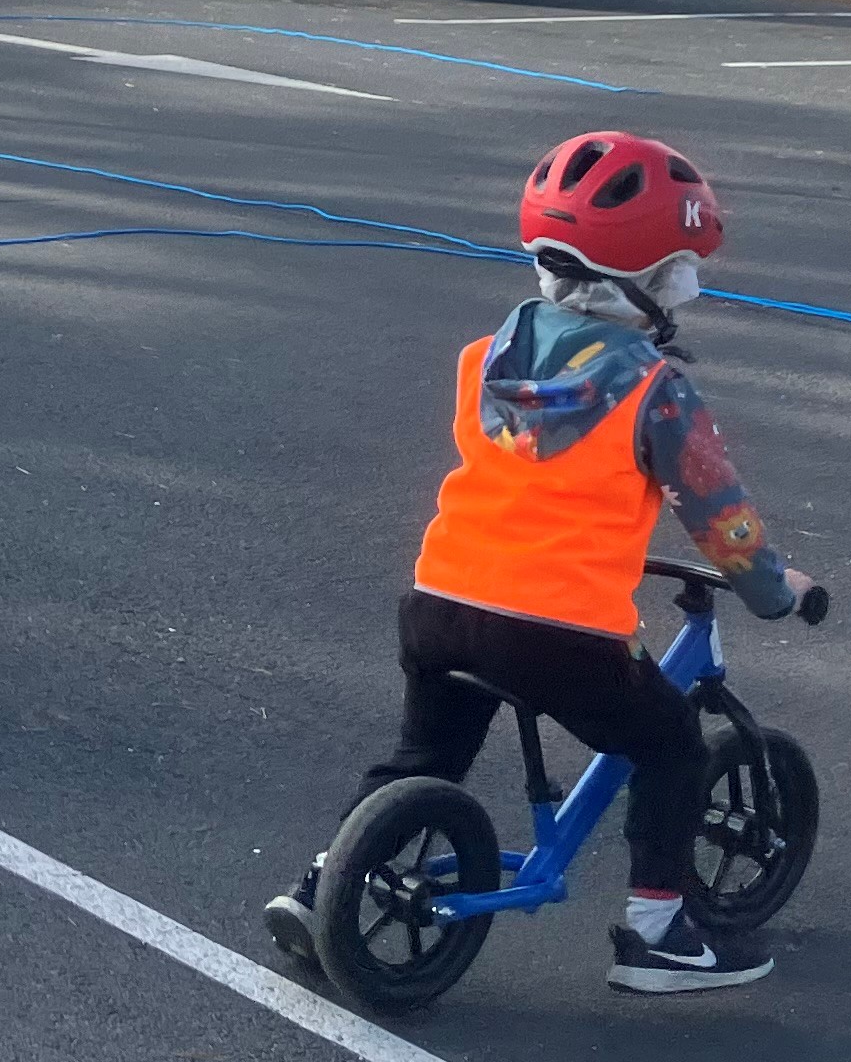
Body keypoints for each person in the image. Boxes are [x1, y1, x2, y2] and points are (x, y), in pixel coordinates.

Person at [264, 131, 820, 998]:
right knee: (670, 742)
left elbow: (527, 472)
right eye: (679, 270)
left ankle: (324, 884)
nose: (690, 289)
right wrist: (774, 588)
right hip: (557, 631)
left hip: (442, 598)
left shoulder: (487, 359)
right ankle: (658, 935)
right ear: (640, 278)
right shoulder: (654, 390)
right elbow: (719, 515)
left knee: (424, 756)